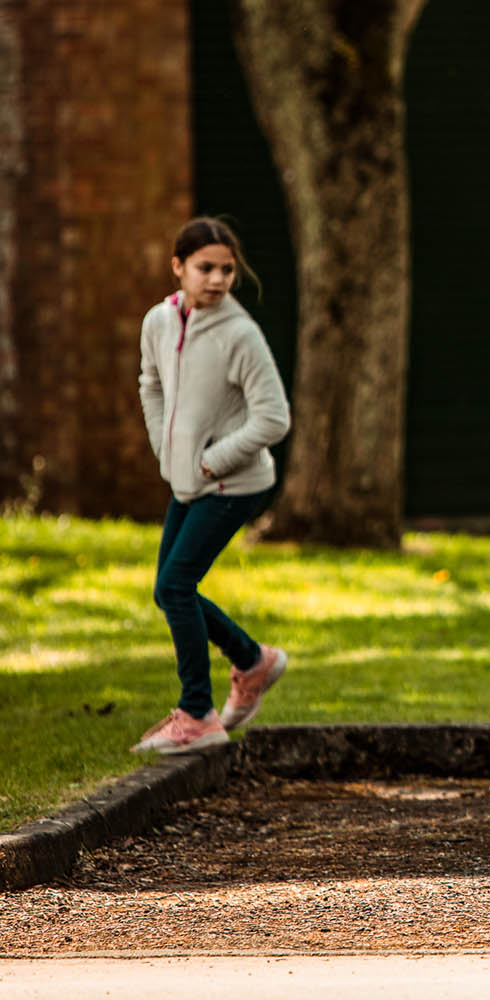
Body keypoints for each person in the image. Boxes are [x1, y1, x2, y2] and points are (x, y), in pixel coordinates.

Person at [133, 218, 292, 754]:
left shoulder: (240, 334)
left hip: (236, 483)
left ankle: (196, 712)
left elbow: (273, 418)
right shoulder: (159, 321)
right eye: (206, 268)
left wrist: (208, 462)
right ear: (178, 267)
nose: (218, 279)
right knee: (168, 589)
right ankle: (252, 661)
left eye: (227, 269)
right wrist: (168, 452)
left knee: (176, 586)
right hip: (188, 480)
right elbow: (150, 384)